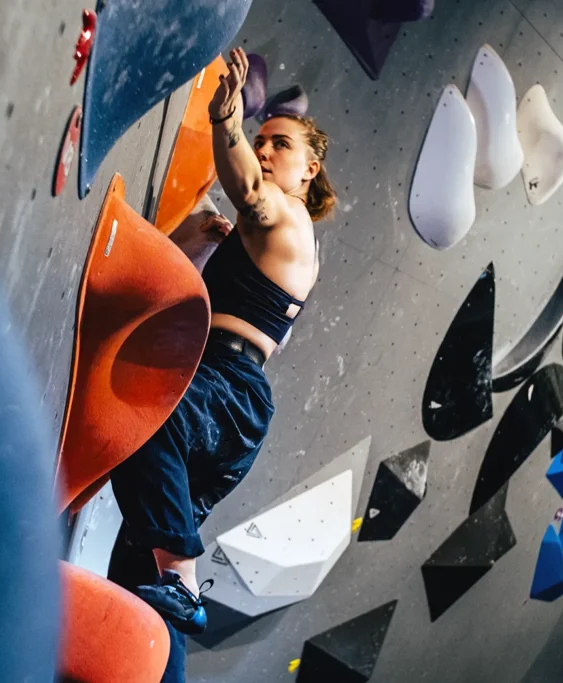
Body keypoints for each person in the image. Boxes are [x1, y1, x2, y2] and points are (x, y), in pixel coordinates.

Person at [107, 46, 336, 680]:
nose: (265, 152)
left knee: (143, 415)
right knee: (135, 577)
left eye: (279, 144)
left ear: (309, 168)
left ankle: (184, 574)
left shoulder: (285, 216)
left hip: (221, 391)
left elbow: (252, 190)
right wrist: (197, 238)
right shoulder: (256, 237)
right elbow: (175, 278)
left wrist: (228, 121)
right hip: (227, 399)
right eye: (259, 141)